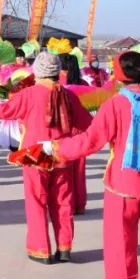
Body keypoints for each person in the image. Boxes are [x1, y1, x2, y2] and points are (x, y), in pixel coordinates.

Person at [43, 51, 140, 279]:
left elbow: (89, 141)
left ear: (118, 75)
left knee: (120, 244)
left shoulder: (114, 105)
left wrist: (54, 148)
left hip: (122, 185)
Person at [0, 51, 92, 263]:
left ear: (38, 71)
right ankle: (64, 248)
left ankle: (40, 249)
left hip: (35, 155)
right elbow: (87, 124)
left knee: (37, 202)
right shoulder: (69, 95)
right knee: (63, 203)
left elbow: (3, 111)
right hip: (61, 153)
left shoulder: (29, 94)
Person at [60, 53, 90, 214]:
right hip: (80, 130)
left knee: (65, 171)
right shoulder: (83, 83)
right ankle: (80, 204)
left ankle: (68, 203)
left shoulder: (57, 83)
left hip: (64, 130)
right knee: (79, 169)